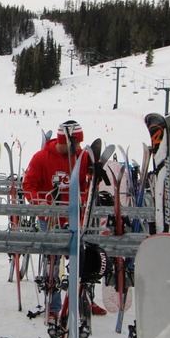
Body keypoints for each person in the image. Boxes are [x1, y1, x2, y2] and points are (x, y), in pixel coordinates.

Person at [22, 120, 107, 321]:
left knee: (82, 260)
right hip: (50, 218)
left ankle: (83, 299)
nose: (79, 148)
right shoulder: (41, 158)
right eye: (76, 143)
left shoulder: (81, 157)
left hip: (76, 217)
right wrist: (43, 204)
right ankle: (53, 305)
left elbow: (89, 183)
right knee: (52, 261)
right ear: (66, 141)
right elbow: (28, 185)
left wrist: (94, 175)